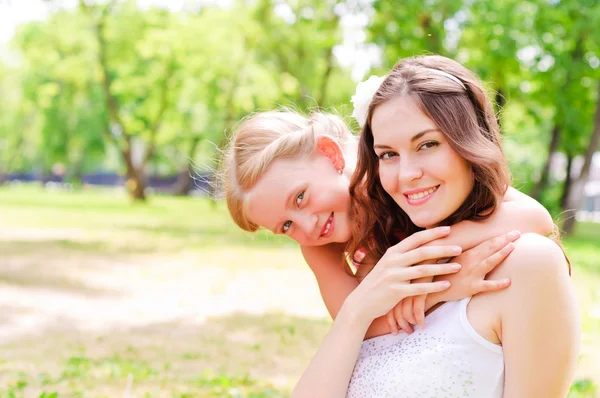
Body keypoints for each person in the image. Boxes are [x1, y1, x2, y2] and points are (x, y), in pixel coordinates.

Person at [292, 55, 579, 397]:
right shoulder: (383, 267)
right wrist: (370, 304)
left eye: (427, 144)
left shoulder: (528, 263)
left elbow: (537, 217)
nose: (406, 174)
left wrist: (434, 266)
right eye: (388, 154)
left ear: (469, 142)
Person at [223, 109, 553, 337]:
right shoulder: (317, 243)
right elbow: (356, 324)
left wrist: (426, 258)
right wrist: (441, 288)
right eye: (285, 226)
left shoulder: (395, 172)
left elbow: (536, 217)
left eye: (300, 198)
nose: (306, 226)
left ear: (331, 155)